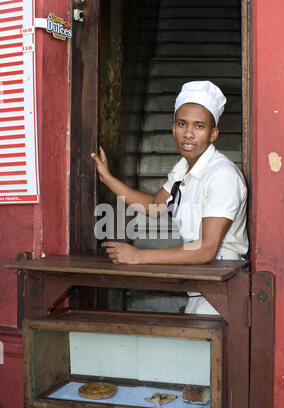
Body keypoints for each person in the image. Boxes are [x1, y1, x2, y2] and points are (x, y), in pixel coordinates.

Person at [91, 80, 248, 315]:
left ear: (213, 134)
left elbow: (206, 248)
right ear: (173, 128)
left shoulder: (221, 174)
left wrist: (138, 256)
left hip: (223, 279)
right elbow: (155, 207)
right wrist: (108, 179)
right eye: (182, 123)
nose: (188, 133)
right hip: (200, 277)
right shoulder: (183, 167)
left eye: (199, 126)